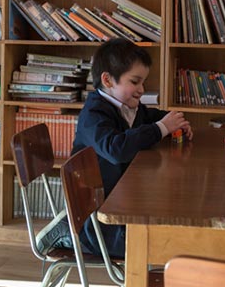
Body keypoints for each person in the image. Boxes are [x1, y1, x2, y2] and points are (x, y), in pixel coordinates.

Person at [63, 38, 192, 258]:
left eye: (143, 82)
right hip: (98, 225)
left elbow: (150, 117)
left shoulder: (126, 107)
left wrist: (176, 121)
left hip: (122, 205)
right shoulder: (94, 114)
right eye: (135, 82)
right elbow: (116, 149)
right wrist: (162, 127)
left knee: (176, 227)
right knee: (171, 242)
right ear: (107, 80)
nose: (141, 89)